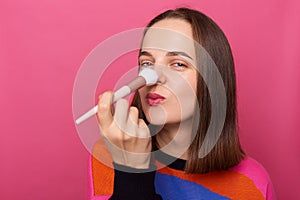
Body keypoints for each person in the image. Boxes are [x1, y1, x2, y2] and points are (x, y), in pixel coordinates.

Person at [91, 7, 275, 200]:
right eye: (146, 63)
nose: (152, 78)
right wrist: (132, 171)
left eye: (178, 64)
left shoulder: (253, 181)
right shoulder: (109, 155)